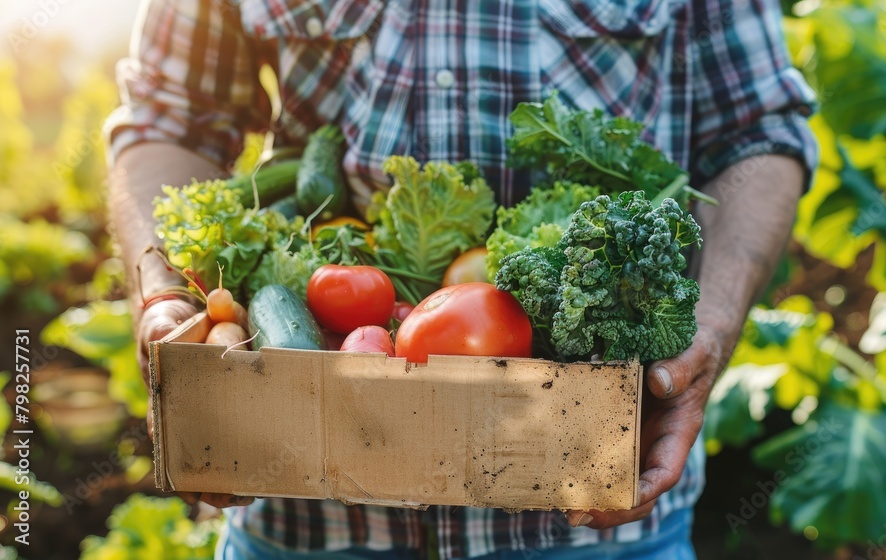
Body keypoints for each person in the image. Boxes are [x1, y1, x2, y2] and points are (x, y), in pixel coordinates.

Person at [106, 0, 817, 558]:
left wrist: (712, 329)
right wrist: (165, 295)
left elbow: (759, 130)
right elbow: (171, 118)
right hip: (303, 507)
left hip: (594, 510)